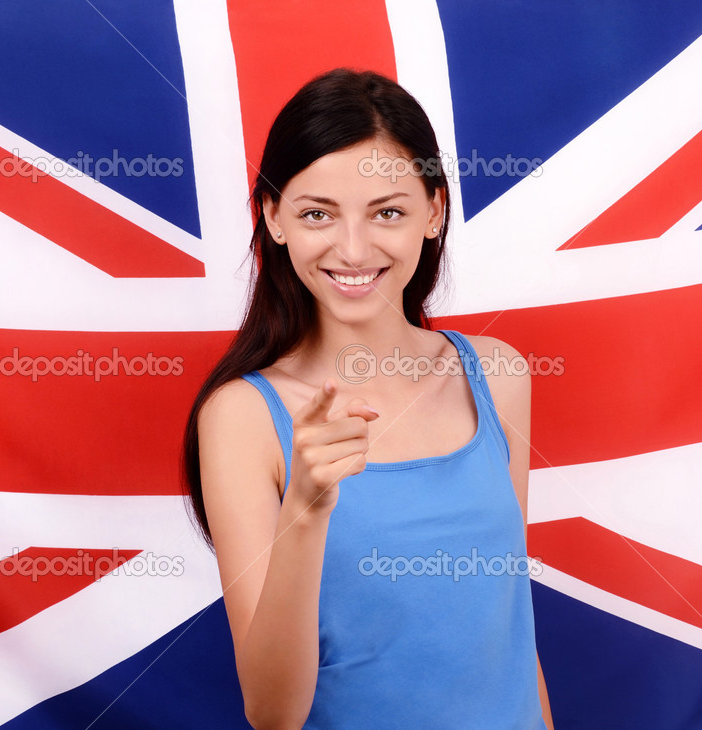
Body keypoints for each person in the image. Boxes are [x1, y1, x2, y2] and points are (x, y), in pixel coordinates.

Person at [182, 67, 553, 729]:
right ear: (273, 218)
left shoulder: (497, 375)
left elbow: (507, 629)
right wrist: (306, 507)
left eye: (386, 211)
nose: (352, 250)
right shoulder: (241, 418)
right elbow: (272, 712)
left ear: (433, 212)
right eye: (317, 213)